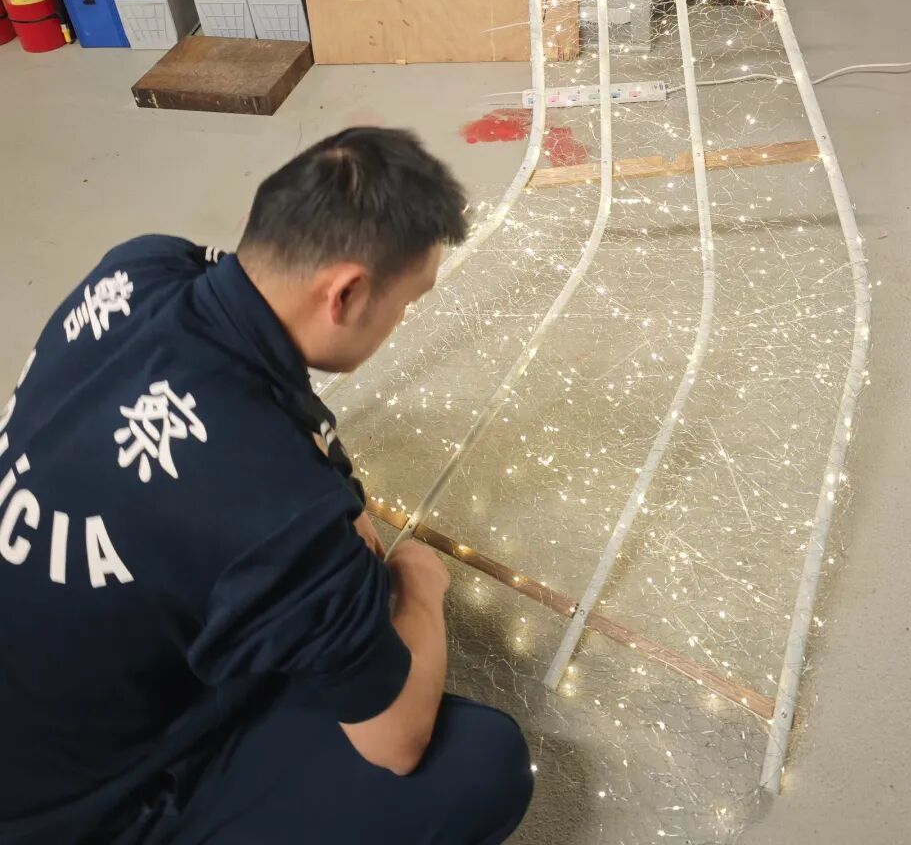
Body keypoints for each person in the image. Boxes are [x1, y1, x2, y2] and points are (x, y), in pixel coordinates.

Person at [0, 128, 534, 844]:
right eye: (406, 302)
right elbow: (397, 741)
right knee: (480, 762)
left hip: (37, 695)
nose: (401, 321)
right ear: (346, 293)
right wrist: (421, 585)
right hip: (73, 810)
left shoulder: (140, 266)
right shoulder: (275, 504)